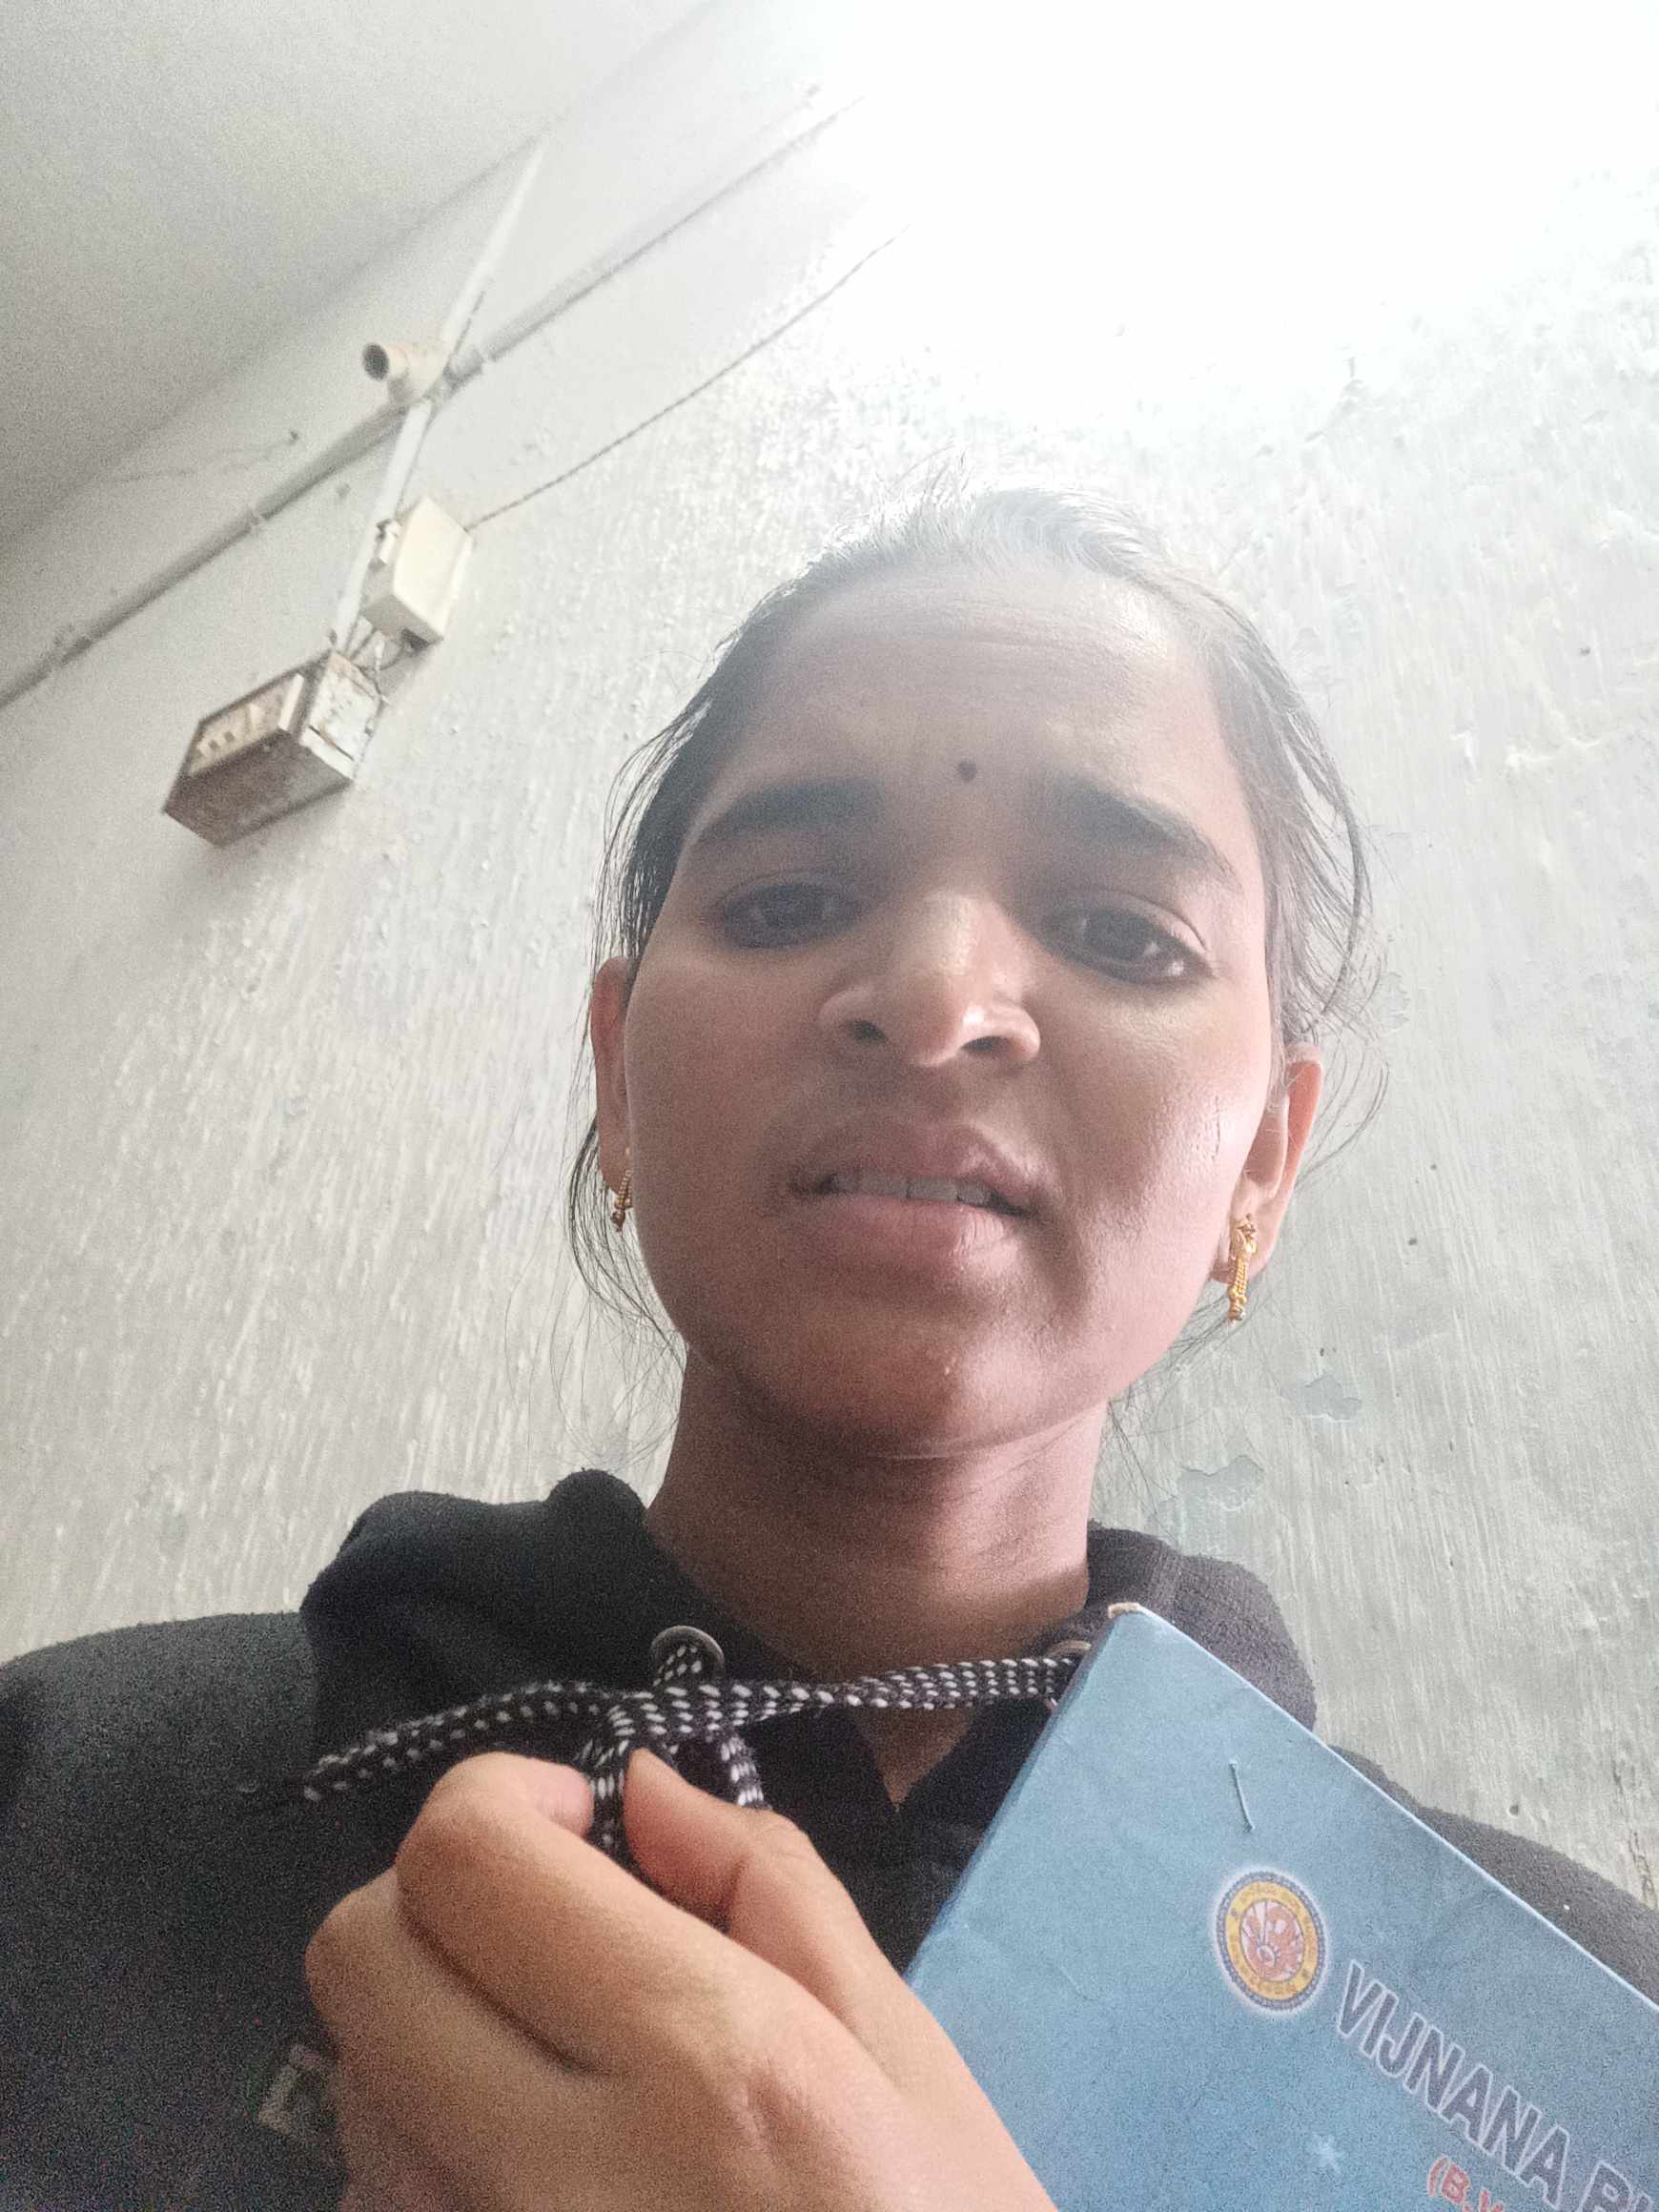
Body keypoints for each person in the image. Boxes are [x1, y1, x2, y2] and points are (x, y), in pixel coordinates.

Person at [2, 483, 1653, 2211]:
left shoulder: (1576, 2058)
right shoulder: (69, 1797)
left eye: (1122, 933)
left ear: (1264, 1164)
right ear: (616, 1074)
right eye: (789, 900)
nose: (937, 997)